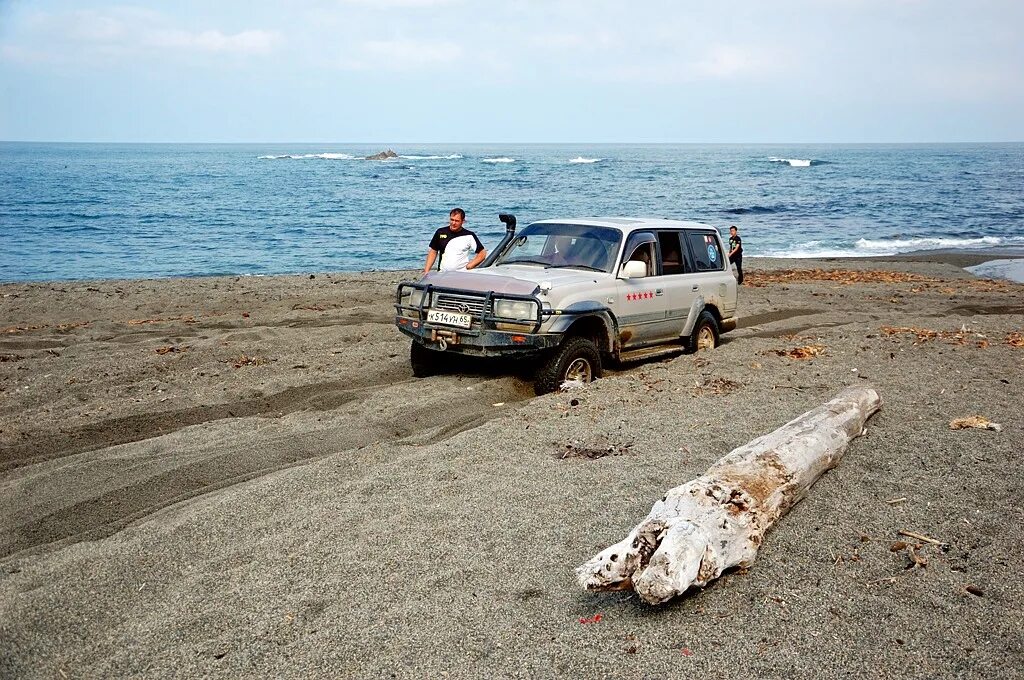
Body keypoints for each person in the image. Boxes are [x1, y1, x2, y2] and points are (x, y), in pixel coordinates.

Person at [423, 208, 487, 274]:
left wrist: (470, 265)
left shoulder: (469, 235)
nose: (453, 223)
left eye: (457, 221)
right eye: (452, 220)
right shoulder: (440, 232)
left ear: (463, 221)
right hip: (442, 273)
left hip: (462, 274)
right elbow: (433, 251)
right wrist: (426, 271)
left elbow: (482, 253)